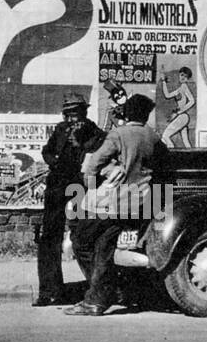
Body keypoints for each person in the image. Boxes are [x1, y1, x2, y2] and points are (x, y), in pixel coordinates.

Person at [65, 93, 169, 316]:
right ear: (145, 114)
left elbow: (94, 162)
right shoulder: (153, 137)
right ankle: (101, 295)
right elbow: (163, 166)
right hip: (140, 202)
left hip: (114, 203)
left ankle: (99, 295)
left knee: (81, 241)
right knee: (103, 248)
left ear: (126, 113)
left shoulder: (118, 134)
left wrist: (91, 184)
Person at [33, 93, 105, 306]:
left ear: (84, 112)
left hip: (79, 186)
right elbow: (47, 151)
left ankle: (96, 289)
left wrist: (80, 143)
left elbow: (95, 155)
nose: (72, 118)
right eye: (69, 114)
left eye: (76, 113)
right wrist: (53, 159)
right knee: (49, 238)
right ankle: (49, 291)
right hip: (57, 184)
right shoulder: (60, 129)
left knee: (83, 236)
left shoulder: (94, 132)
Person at [160, 67, 196, 147]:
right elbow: (167, 95)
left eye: (185, 77)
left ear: (188, 79)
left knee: (165, 136)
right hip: (182, 117)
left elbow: (192, 101)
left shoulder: (184, 87)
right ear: (179, 75)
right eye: (182, 75)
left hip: (182, 117)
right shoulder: (180, 89)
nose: (183, 78)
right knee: (186, 142)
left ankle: (172, 155)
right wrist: (164, 82)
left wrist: (179, 112)